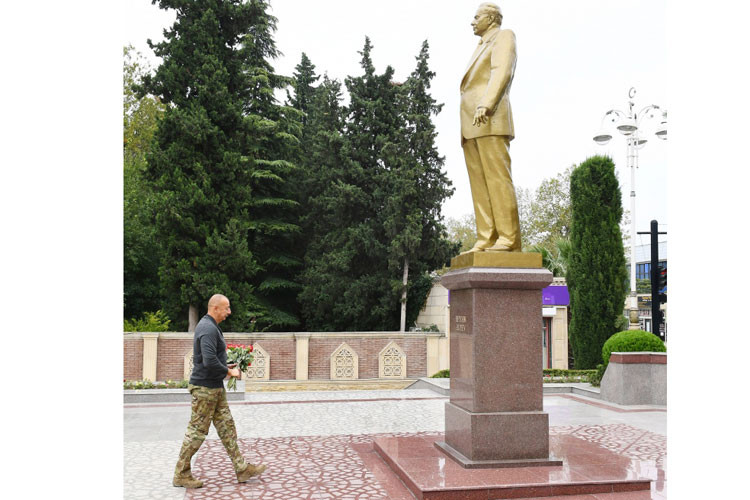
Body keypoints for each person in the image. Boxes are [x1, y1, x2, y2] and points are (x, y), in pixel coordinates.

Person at [173, 294, 267, 489]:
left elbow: (210, 358)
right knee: (197, 432)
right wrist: (229, 371)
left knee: (227, 428)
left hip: (214, 388)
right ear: (215, 308)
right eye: (226, 308)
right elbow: (208, 361)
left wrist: (226, 365)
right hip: (204, 389)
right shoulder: (207, 328)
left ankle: (242, 468)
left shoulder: (211, 326)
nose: (229, 312)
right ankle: (181, 474)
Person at [460, 2, 521, 253]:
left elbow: (501, 71)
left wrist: (486, 104)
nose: (472, 22)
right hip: (470, 123)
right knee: (479, 184)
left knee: (497, 179)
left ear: (492, 19)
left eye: (477, 17)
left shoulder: (504, 36)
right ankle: (486, 237)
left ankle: (508, 238)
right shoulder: (480, 45)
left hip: (490, 117)